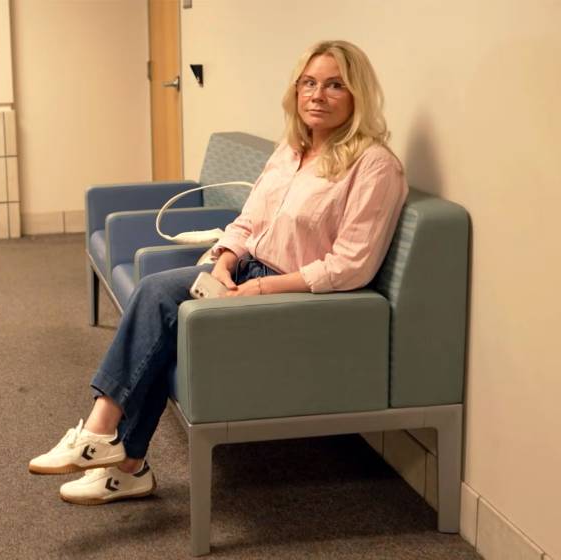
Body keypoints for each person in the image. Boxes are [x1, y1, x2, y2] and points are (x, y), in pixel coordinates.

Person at [28, 40, 408, 506]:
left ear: (357, 96)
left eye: (334, 86)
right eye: (308, 83)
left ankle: (108, 442)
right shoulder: (292, 150)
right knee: (157, 304)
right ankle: (119, 457)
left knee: (159, 305)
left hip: (295, 299)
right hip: (246, 272)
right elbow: (248, 222)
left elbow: (350, 266)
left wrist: (262, 288)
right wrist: (225, 261)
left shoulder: (374, 166)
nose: (317, 95)